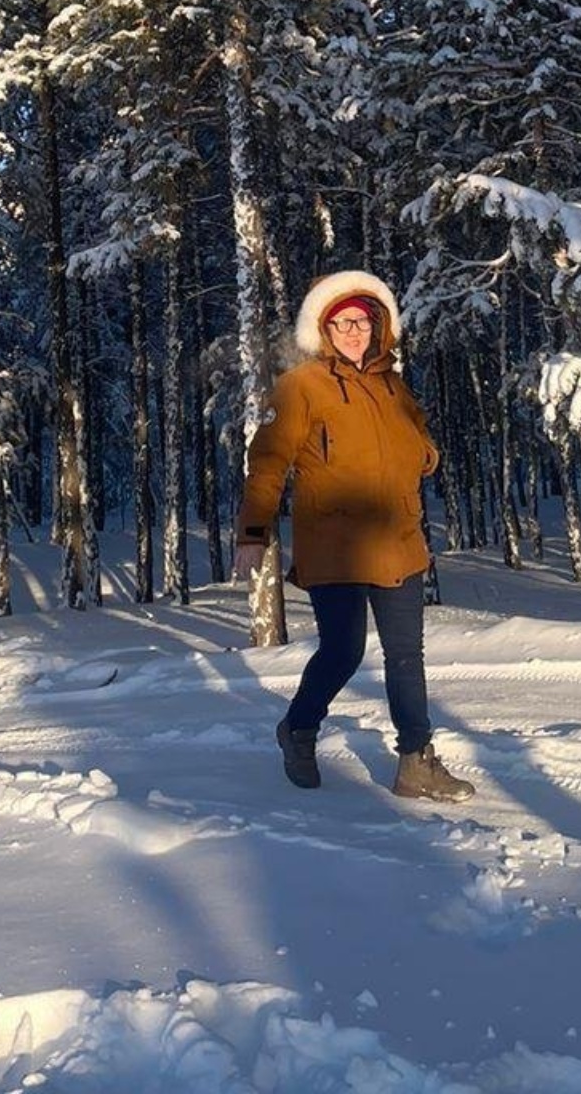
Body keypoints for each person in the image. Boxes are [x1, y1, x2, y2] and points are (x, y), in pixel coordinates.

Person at [234, 269, 474, 803]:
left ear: (378, 325)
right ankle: (298, 727)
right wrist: (253, 531)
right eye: (340, 323)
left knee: (407, 656)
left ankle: (416, 763)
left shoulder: (392, 384)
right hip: (335, 546)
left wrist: (425, 456)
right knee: (343, 651)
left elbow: (417, 439)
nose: (352, 332)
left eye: (361, 322)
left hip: (401, 542)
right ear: (323, 329)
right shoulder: (301, 387)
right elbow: (267, 464)